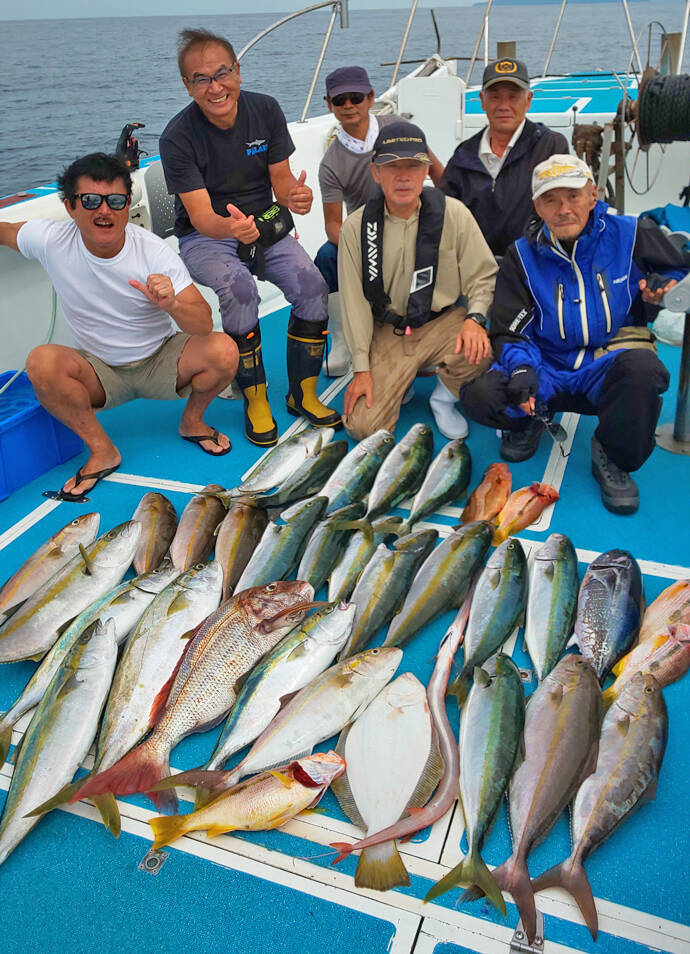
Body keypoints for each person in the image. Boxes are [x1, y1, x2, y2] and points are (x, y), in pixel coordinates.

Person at [0, 152, 237, 502]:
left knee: (223, 350)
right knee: (41, 362)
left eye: (115, 201)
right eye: (91, 201)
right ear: (70, 207)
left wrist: (171, 304)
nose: (104, 210)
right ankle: (102, 450)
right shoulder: (49, 239)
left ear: (127, 206)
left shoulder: (153, 253)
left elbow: (202, 323)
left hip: (160, 360)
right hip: (99, 371)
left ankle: (192, 422)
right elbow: (5, 232)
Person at [461, 154, 688, 515]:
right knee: (480, 395)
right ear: (537, 205)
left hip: (605, 361)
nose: (563, 208)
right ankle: (533, 417)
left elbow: (678, 267)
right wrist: (523, 371)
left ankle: (611, 454)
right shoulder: (520, 255)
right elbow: (509, 330)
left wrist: (664, 286)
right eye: (550, 199)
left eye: (573, 195)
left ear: (592, 195)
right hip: (547, 365)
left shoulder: (630, 233)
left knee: (644, 373)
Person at [159, 28, 340, 447]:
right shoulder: (177, 138)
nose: (215, 86)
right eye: (201, 79)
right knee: (239, 289)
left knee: (313, 285)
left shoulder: (266, 110)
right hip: (208, 236)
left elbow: (282, 185)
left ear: (238, 71)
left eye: (222, 73)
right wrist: (232, 228)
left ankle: (303, 392)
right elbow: (202, 217)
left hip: (266, 222)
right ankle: (254, 395)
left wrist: (296, 197)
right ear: (187, 86)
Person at [338, 121, 498, 440]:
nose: (402, 176)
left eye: (412, 165)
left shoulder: (453, 213)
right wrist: (361, 369)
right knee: (362, 427)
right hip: (389, 330)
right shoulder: (356, 228)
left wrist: (476, 318)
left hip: (441, 323)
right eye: (391, 166)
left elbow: (483, 275)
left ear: (426, 169)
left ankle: (444, 397)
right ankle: (401, 379)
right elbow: (354, 303)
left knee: (484, 350)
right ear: (375, 172)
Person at [315, 66, 444, 377]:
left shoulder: (399, 127)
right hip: (367, 234)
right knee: (326, 257)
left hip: (415, 220)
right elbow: (333, 224)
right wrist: (360, 249)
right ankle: (342, 339)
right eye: (340, 99)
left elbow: (440, 175)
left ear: (370, 98)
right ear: (329, 104)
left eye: (356, 97)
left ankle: (433, 334)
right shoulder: (331, 164)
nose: (348, 105)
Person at [440, 58, 569, 258]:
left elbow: (562, 208)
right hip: (476, 268)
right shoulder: (463, 155)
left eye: (513, 97)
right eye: (495, 97)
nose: (503, 106)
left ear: (528, 100)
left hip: (533, 264)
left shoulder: (550, 146)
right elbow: (444, 212)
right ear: (482, 101)